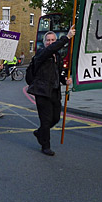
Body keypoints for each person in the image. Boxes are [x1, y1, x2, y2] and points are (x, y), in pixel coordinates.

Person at [27, 26, 75, 156]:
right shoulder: (41, 54)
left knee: (55, 118)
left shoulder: (57, 56)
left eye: (53, 40)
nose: (50, 42)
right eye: (48, 40)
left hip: (54, 91)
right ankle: (45, 145)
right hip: (41, 91)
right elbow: (51, 49)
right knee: (46, 119)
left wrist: (65, 81)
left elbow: (58, 74)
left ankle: (40, 132)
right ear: (44, 42)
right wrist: (67, 37)